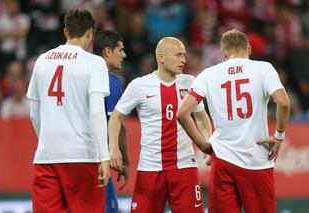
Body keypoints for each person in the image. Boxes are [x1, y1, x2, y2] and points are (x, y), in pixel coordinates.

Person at [177, 29, 290, 213]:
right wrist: (278, 137)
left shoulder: (207, 74)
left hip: (223, 160)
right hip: (257, 160)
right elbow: (284, 103)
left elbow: (182, 114)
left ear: (223, 53)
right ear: (250, 49)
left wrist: (203, 145)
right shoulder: (264, 68)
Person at [109, 37, 212, 213]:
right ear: (161, 57)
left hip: (185, 167)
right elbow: (116, 117)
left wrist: (208, 143)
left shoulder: (189, 82)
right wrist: (114, 148)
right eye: (178, 55)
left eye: (184, 55)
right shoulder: (140, 86)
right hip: (151, 168)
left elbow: (202, 116)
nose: (183, 60)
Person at [26, 8, 110, 213]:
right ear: (91, 33)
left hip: (46, 156)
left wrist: (46, 141)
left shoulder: (42, 60)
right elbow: (97, 112)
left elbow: (33, 113)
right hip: (82, 156)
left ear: (65, 32)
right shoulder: (95, 63)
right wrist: (104, 156)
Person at [94, 30, 129, 213]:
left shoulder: (80, 76)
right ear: (107, 51)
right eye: (120, 49)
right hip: (97, 162)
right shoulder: (111, 81)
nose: (124, 54)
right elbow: (116, 124)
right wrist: (126, 162)